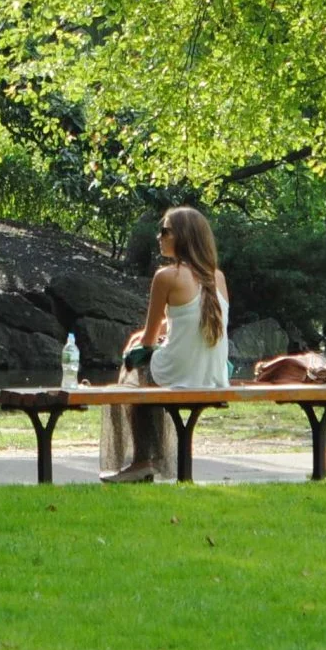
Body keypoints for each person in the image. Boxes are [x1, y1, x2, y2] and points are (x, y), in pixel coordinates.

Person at [101, 205, 231, 484]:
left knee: (132, 369)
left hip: (181, 375)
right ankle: (152, 459)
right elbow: (188, 321)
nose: (159, 236)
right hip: (213, 377)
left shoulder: (167, 276)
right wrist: (156, 335)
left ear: (183, 237)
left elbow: (148, 340)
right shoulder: (216, 277)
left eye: (165, 231)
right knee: (148, 371)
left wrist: (140, 342)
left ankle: (141, 461)